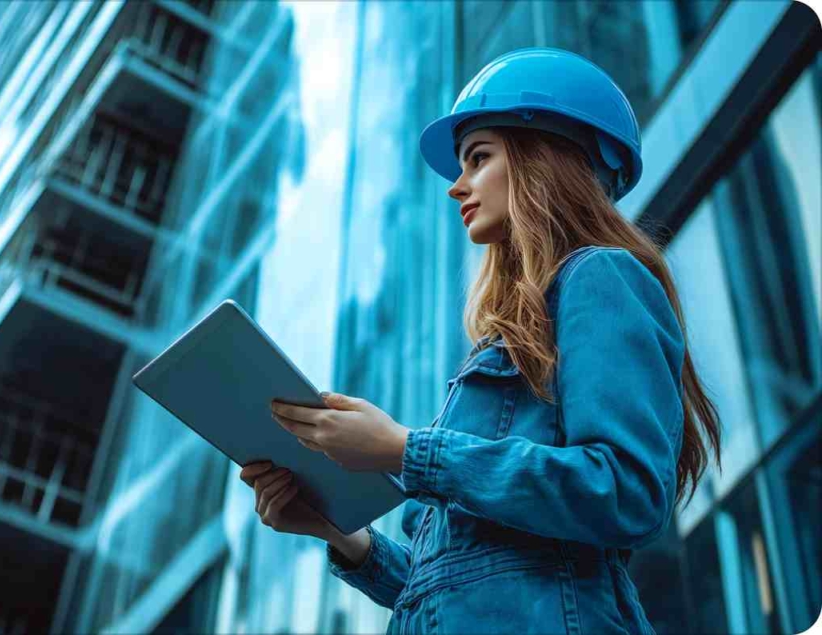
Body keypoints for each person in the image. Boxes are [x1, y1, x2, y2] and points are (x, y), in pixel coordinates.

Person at [239, 47, 722, 634]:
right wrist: (338, 532)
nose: (456, 186)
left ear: (543, 159)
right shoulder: (506, 336)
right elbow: (455, 585)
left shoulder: (600, 277)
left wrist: (403, 450)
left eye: (478, 158)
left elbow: (625, 491)